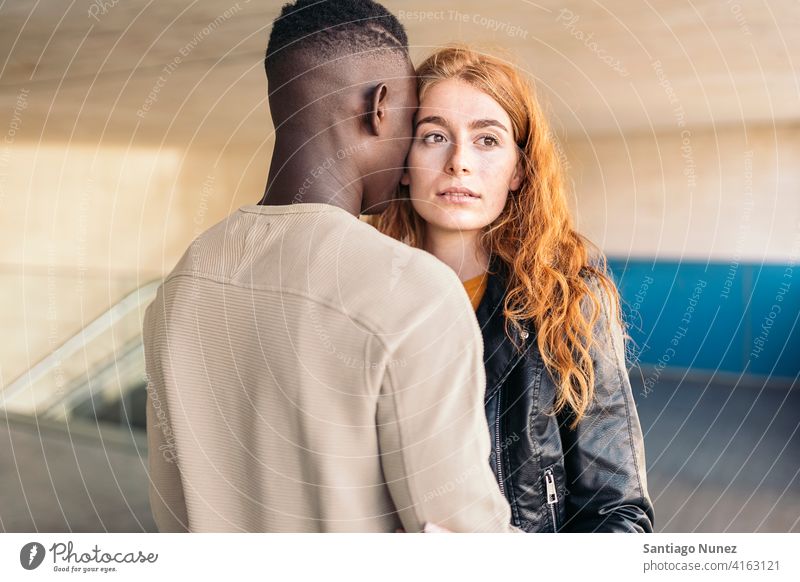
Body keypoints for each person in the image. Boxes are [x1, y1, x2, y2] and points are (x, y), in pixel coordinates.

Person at [143, 2, 518, 533]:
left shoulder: (180, 287)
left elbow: (174, 513)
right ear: (380, 107)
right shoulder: (414, 291)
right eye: (418, 123)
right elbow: (461, 536)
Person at [372, 45, 655, 532]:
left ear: (520, 169)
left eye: (487, 140)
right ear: (403, 160)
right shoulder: (365, 298)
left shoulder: (568, 301)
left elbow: (620, 515)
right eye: (435, 135)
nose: (459, 162)